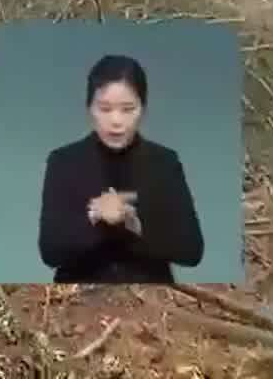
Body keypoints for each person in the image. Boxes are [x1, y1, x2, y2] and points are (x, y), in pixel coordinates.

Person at [37, 54, 205, 284]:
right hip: (78, 297)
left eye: (128, 109)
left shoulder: (164, 163)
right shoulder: (63, 161)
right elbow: (50, 252)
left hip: (150, 297)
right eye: (105, 109)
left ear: (143, 109)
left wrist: (136, 226)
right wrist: (95, 216)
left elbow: (192, 251)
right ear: (89, 108)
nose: (116, 121)